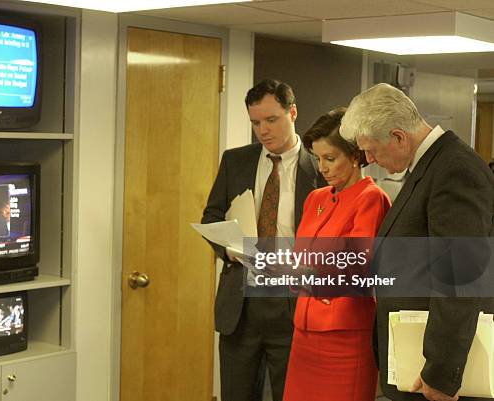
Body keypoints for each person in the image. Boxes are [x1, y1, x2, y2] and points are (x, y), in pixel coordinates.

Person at [340, 83, 494, 401]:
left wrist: (440, 371)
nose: (367, 159)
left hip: (433, 372)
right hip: (413, 360)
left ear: (398, 136)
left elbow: (460, 278)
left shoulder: (454, 169)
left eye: (371, 149)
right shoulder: (431, 165)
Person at [201, 78, 324, 401]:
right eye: (256, 122)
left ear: (292, 113)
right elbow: (212, 217)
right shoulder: (235, 161)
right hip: (241, 302)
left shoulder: (320, 168)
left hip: (293, 300)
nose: (263, 130)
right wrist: (229, 250)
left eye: (271, 120)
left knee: (291, 394)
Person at [281, 108, 391, 401]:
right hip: (304, 332)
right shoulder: (316, 198)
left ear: (355, 156)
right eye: (318, 159)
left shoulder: (371, 198)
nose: (322, 168)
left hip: (345, 336)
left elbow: (356, 267)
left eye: (330, 158)